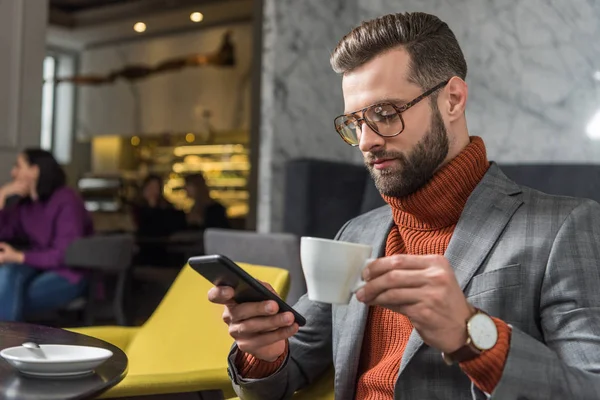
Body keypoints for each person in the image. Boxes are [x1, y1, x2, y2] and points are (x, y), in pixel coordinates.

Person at [208, 12, 600, 399]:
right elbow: (284, 374)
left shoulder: (564, 227)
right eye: (355, 122)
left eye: (385, 114)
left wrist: (473, 334)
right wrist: (262, 352)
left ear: (453, 99)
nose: (366, 141)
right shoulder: (355, 233)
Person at [0, 149, 93, 321]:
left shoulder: (67, 200)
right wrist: (1, 198)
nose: (13, 173)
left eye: (18, 166)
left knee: (7, 295)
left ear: (35, 171)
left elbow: (65, 254)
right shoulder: (26, 205)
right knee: (7, 277)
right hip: (38, 268)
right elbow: (5, 232)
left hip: (69, 274)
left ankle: (7, 343)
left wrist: (19, 257)